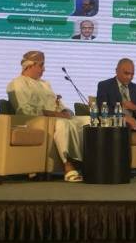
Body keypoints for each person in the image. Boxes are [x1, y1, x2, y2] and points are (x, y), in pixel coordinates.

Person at [6, 51, 88, 182]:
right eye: (41, 65)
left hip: (57, 117)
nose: (44, 69)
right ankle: (68, 166)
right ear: (29, 66)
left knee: (89, 121)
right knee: (62, 123)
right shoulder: (18, 83)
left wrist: (66, 111)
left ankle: (91, 164)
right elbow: (24, 110)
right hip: (36, 121)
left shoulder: (45, 84)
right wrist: (54, 114)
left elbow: (58, 105)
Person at [96, 58, 136, 178]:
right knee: (124, 124)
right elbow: (102, 108)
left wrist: (134, 107)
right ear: (117, 71)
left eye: (132, 74)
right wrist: (123, 115)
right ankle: (124, 167)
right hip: (116, 120)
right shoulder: (104, 85)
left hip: (135, 120)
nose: (129, 77)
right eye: (126, 73)